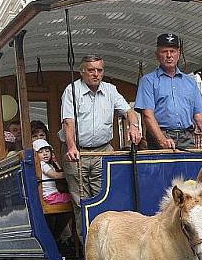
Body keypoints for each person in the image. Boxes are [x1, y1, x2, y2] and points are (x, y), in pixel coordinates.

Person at [60, 55, 141, 236]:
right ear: (82, 72)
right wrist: (72, 147)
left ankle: (105, 243)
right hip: (78, 152)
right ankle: (87, 250)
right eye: (91, 70)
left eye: (99, 70)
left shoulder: (110, 90)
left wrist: (134, 126)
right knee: (81, 202)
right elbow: (68, 122)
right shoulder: (71, 90)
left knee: (104, 199)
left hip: (103, 151)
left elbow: (129, 111)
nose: (96, 74)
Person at [135, 33, 202, 150]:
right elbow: (147, 115)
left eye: (172, 51)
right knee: (163, 168)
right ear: (157, 55)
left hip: (187, 137)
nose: (169, 55)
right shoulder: (148, 81)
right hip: (160, 136)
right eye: (164, 51)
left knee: (190, 168)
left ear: (179, 54)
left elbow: (199, 114)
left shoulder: (190, 82)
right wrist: (162, 140)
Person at [34, 138, 71, 205]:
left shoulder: (48, 164)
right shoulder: (42, 164)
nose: (45, 154)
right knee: (74, 197)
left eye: (47, 151)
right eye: (41, 152)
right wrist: (70, 173)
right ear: (35, 155)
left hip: (53, 195)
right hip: (50, 196)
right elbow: (55, 175)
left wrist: (55, 161)